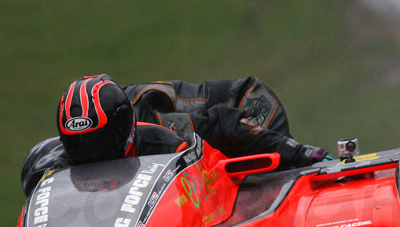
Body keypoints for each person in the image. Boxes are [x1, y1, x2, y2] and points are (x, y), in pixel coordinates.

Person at [21, 74, 330, 196]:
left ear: (122, 129)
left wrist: (297, 151)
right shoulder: (53, 159)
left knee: (254, 188)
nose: (90, 151)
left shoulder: (160, 130)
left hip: (248, 110)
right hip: (220, 122)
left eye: (98, 140)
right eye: (78, 143)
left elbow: (223, 123)